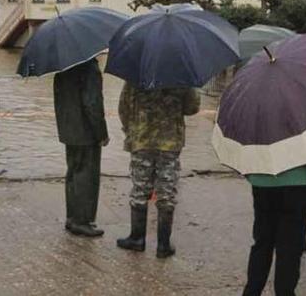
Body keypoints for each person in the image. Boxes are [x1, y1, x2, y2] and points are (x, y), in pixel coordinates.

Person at [116, 82, 200, 258]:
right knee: (167, 191)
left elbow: (124, 106)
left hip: (141, 139)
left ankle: (137, 238)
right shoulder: (181, 76)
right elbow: (192, 107)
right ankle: (163, 244)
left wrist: (130, 130)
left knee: (140, 188)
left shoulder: (136, 76)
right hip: (169, 142)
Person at [243, 154, 306, 296]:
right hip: (297, 189)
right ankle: (284, 292)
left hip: (262, 186)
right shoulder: (299, 132)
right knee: (289, 247)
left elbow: (244, 166)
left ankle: (252, 291)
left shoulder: (256, 134)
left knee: (262, 243)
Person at [54, 59, 109, 237]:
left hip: (69, 131)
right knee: (87, 176)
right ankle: (82, 221)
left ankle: (72, 218)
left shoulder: (62, 67)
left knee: (73, 173)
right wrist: (101, 133)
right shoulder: (89, 67)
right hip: (86, 133)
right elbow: (93, 103)